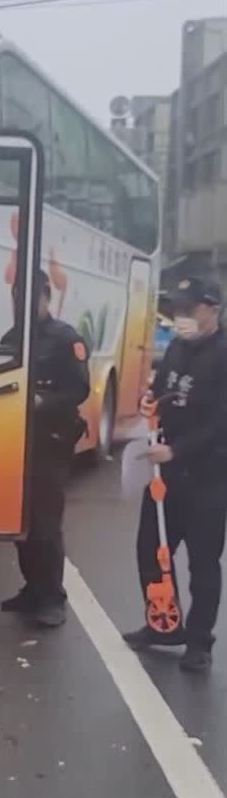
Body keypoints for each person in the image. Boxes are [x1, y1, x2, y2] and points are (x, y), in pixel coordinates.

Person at [123, 274, 227, 673]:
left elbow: (222, 422)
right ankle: (163, 624)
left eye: (190, 310)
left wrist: (178, 450)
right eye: (177, 311)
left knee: (203, 562)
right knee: (150, 550)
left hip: (206, 478)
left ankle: (200, 641)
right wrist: (153, 400)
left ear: (213, 310)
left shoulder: (222, 354)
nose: (181, 318)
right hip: (165, 477)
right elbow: (166, 390)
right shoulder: (178, 351)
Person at [1, 271, 90, 628]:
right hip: (17, 443)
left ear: (45, 298)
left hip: (52, 442)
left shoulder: (66, 339)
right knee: (19, 522)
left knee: (46, 523)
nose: (21, 305)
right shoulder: (11, 338)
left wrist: (42, 402)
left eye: (29, 298)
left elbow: (79, 390)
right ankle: (32, 589)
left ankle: (52, 596)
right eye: (16, 298)